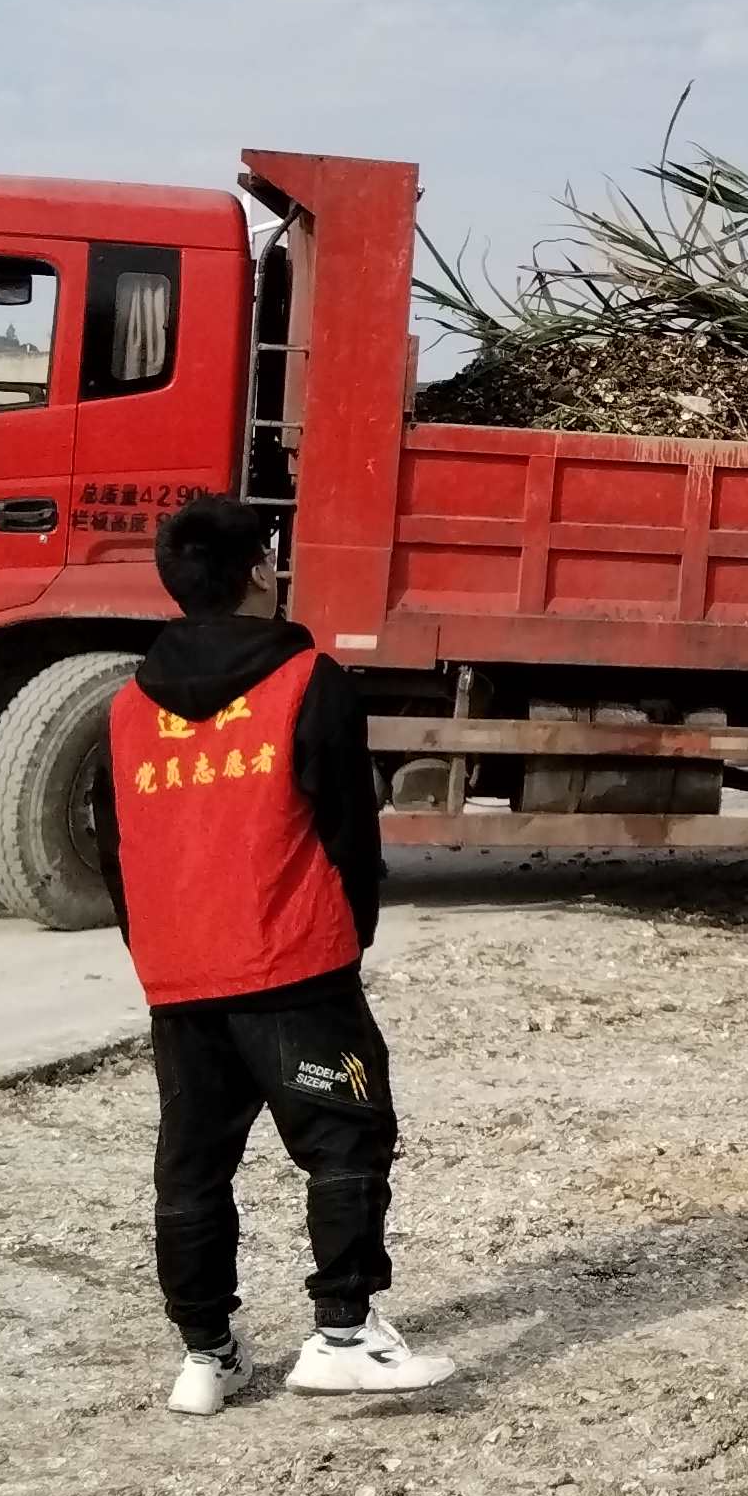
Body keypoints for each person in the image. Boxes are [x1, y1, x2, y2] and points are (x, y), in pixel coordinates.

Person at [91, 493, 454, 1411]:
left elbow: (116, 852)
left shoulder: (125, 708)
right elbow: (349, 832)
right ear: (258, 570)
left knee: (194, 1162)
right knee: (345, 1137)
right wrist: (349, 936)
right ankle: (342, 1336)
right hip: (292, 961)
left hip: (180, 975)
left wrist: (156, 949)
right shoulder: (307, 681)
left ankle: (205, 1356)